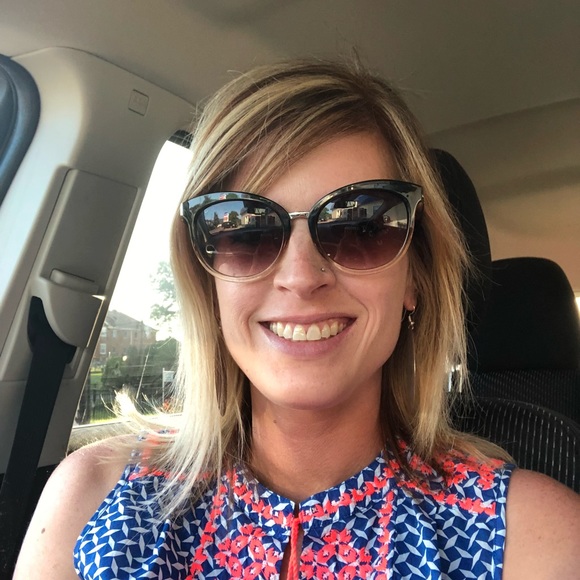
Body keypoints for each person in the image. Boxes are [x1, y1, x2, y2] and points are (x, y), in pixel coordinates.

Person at [15, 58, 580, 579]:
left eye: (361, 227)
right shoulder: (94, 499)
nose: (301, 276)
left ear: (415, 278)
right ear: (209, 280)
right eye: (245, 231)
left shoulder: (534, 538)